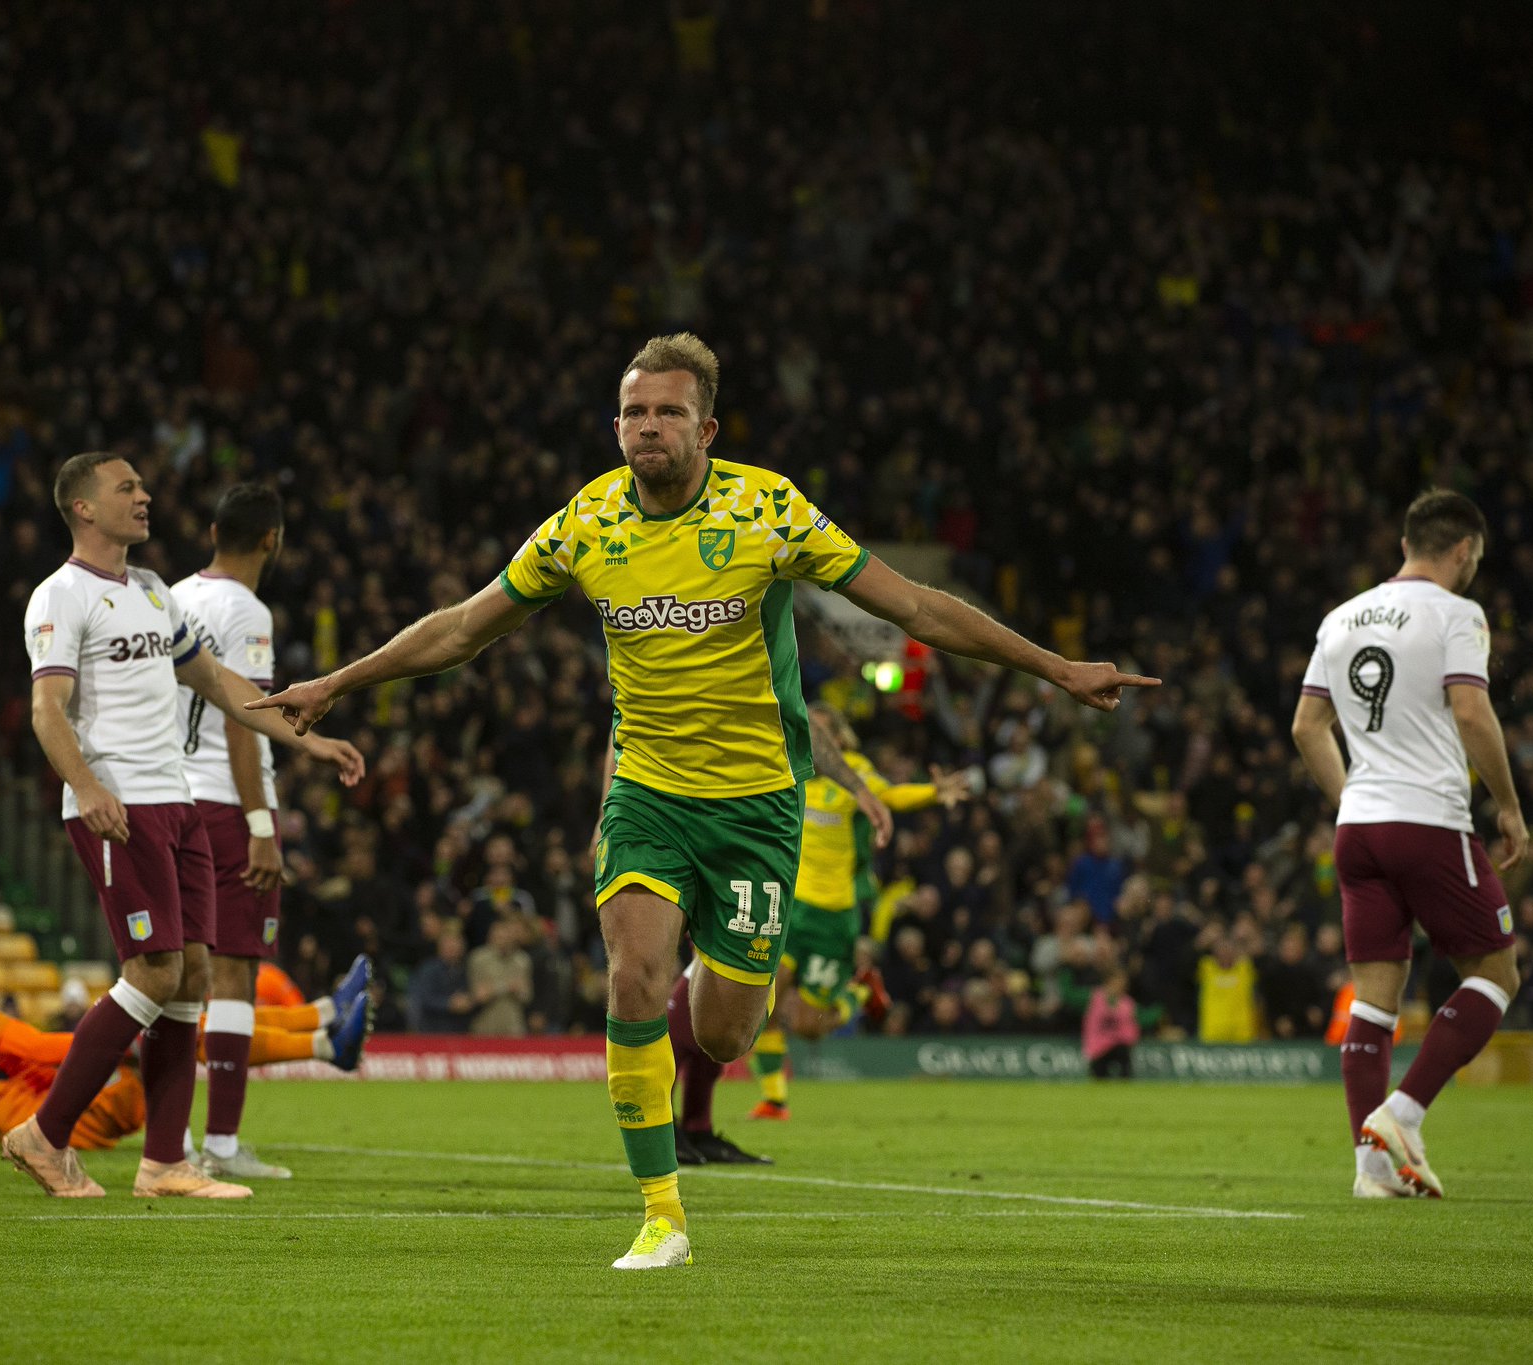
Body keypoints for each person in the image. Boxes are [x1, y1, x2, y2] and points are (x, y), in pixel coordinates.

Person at [252, 333, 1158, 1268]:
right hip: (646, 789)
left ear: (707, 428)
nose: (650, 427)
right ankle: (660, 1215)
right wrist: (337, 683)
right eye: (636, 412)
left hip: (759, 802)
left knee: (725, 1031)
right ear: (616, 427)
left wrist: (1054, 668)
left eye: (669, 412)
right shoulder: (584, 524)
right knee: (633, 974)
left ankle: (716, 981)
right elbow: (464, 627)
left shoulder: (769, 510)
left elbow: (917, 608)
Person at [0, 452, 364, 1201]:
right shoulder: (59, 596)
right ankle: (43, 1133)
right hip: (118, 805)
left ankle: (164, 1162)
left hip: (179, 803)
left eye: (142, 485)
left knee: (194, 972)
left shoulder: (154, 591)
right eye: (126, 487)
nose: (145, 495)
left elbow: (217, 683)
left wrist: (305, 733)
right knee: (156, 971)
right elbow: (46, 708)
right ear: (83, 508)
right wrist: (87, 785)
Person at [1291, 489, 1529, 1200]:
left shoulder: (1340, 618)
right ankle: (1403, 1112)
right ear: (1463, 551)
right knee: (1496, 971)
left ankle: (1369, 1173)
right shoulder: (1457, 614)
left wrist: (1354, 800)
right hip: (1428, 818)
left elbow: (1308, 727)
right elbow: (1470, 706)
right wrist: (1510, 806)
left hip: (1358, 826)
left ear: (1404, 544)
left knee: (1373, 1001)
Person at [170, 482, 373, 1180]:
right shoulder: (245, 609)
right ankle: (220, 1145)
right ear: (271, 540)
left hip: (169, 797)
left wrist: (312, 743)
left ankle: (174, 1140)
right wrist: (261, 823)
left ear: (212, 529)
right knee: (232, 974)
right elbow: (237, 714)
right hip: (227, 805)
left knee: (175, 975)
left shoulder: (173, 595)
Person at [730, 705, 968, 1135]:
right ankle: (774, 1099)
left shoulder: (854, 771)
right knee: (761, 1008)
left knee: (809, 1027)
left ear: (837, 740)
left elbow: (889, 795)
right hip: (790, 908)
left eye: (820, 732)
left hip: (833, 918)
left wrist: (932, 794)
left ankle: (859, 991)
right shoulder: (791, 765)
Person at [0, 899, 146, 1151]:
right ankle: (173, 1147)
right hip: (61, 1127)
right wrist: (120, 1043)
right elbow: (36, 1047)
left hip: (33, 1125)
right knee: (151, 1047)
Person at [1082, 968, 1140, 1078]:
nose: (1119, 986)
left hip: (1119, 1045)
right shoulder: (1094, 998)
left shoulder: (1127, 1003)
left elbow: (1131, 1026)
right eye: (1116, 982)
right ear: (1108, 983)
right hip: (1099, 1046)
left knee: (1124, 1067)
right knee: (1099, 1076)